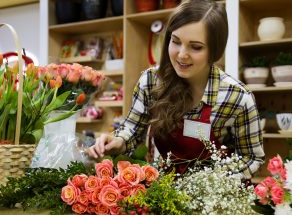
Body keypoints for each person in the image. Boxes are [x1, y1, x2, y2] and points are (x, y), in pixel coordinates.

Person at [87, 0, 265, 179]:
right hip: (166, 193)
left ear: (215, 50)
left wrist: (212, 181)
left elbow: (251, 157)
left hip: (217, 199)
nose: (181, 54)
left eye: (196, 47)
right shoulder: (151, 82)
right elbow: (132, 129)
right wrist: (117, 141)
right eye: (176, 41)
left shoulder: (237, 97)